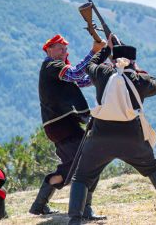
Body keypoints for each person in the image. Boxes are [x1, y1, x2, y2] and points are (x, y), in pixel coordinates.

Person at [67, 35, 156, 224]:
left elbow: (91, 64)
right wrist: (137, 70)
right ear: (132, 61)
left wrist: (106, 49)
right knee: (155, 168)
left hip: (100, 137)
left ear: (113, 60)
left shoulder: (101, 73)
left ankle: (74, 220)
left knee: (81, 177)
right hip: (132, 138)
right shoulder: (140, 80)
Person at [29, 34, 106, 221]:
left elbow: (83, 80)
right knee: (89, 160)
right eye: (60, 48)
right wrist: (96, 52)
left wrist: (103, 68)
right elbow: (77, 74)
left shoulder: (56, 69)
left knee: (73, 167)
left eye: (65, 49)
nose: (65, 52)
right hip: (62, 125)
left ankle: (39, 205)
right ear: (49, 50)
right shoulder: (52, 65)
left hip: (62, 125)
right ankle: (85, 209)